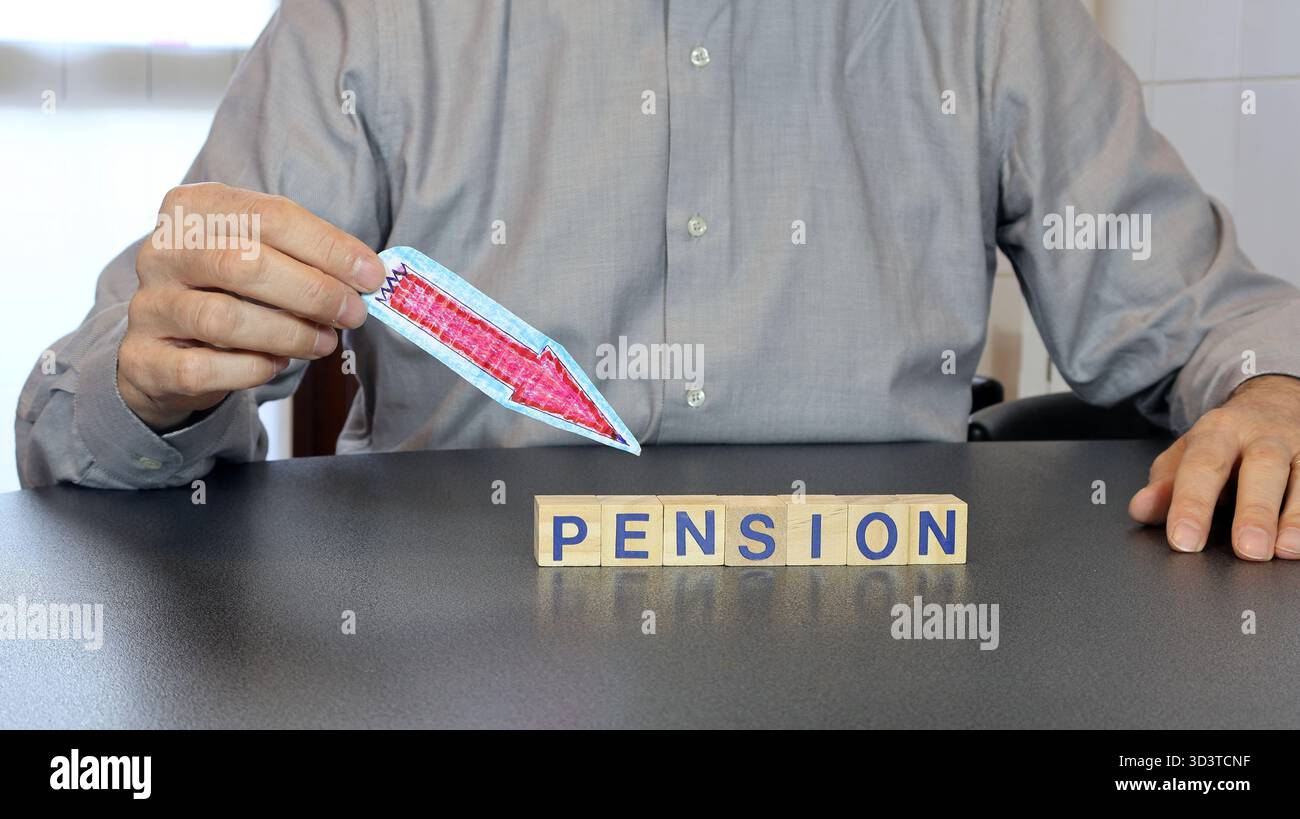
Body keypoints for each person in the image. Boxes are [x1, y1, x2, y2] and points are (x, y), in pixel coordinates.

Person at [15, 0, 1300, 562]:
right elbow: (77, 428)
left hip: (899, 645)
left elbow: (1216, 325)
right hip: (444, 680)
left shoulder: (985, 17)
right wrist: (152, 384)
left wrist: (1275, 388)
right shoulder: (369, 18)